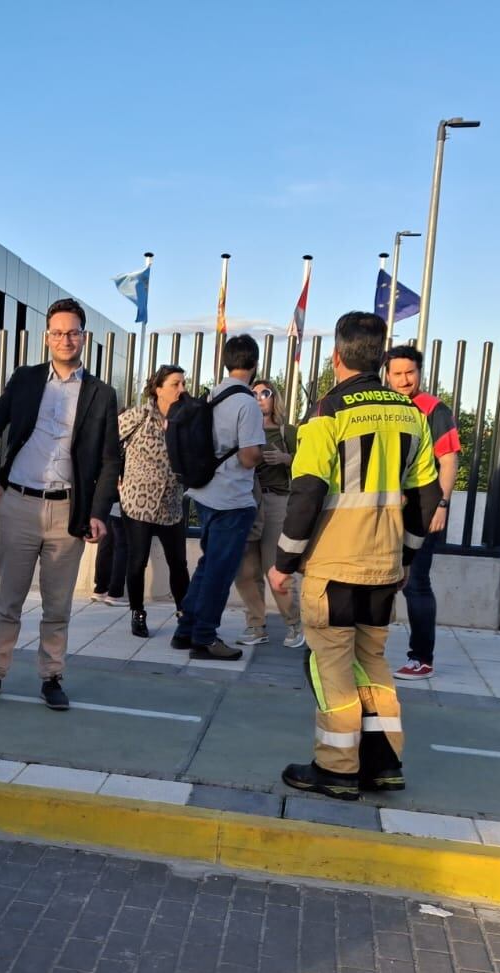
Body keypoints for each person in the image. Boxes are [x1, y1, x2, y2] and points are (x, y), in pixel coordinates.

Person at [268, 311, 439, 801]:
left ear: (337, 356)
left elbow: (306, 493)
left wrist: (283, 562)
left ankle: (337, 768)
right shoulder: (412, 415)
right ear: (383, 359)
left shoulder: (328, 413)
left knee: (332, 668)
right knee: (374, 662)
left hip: (335, 563)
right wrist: (406, 558)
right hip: (385, 564)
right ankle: (384, 764)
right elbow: (425, 499)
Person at [0, 299, 121, 708]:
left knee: (57, 606)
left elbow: (111, 460)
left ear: (83, 337)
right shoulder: (25, 379)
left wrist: (97, 512)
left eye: (72, 332)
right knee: (9, 600)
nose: (65, 339)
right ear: (47, 337)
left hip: (67, 512)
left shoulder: (101, 394)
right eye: (57, 332)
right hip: (19, 503)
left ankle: (52, 677)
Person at [170, 334, 265, 659]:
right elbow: (249, 456)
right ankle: (205, 637)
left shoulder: (213, 394)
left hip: (205, 493)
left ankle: (186, 630)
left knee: (208, 565)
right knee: (220, 572)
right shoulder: (247, 403)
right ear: (254, 363)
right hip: (232, 499)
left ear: (227, 362)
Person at [384, 345, 462, 681]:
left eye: (410, 372)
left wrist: (442, 504)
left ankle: (421, 658)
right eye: (397, 373)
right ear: (386, 374)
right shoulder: (385, 406)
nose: (404, 379)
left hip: (424, 509)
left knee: (416, 583)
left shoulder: (434, 409)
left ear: (420, 373)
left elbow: (448, 459)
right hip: (387, 508)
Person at [117, 364, 192, 638]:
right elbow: (108, 444)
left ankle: (184, 613)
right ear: (158, 389)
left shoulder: (186, 420)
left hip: (171, 503)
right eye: (175, 384)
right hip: (138, 502)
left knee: (179, 563)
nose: (182, 389)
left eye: (183, 383)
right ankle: (138, 612)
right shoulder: (137, 417)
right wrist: (117, 477)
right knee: (137, 561)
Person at [233, 378, 304, 648]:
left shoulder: (289, 432)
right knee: (246, 569)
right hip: (247, 500)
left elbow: (314, 465)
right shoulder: (242, 431)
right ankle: (255, 625)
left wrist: (288, 460)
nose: (260, 397)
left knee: (276, 569)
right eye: (253, 393)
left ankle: (294, 624)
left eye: (266, 393)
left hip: (277, 502)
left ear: (276, 398)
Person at [90, 499, 128, 604]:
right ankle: (115, 594)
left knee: (105, 547)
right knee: (121, 549)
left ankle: (100, 589)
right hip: (124, 508)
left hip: (108, 508)